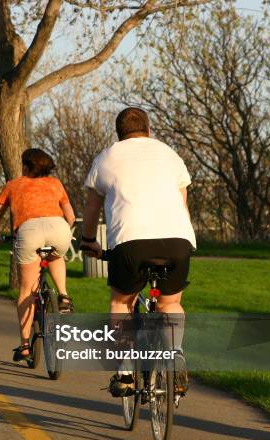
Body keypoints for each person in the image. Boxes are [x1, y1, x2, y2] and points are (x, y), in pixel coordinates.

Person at [80, 107, 195, 396]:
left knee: (122, 302)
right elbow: (182, 202)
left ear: (118, 133)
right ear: (148, 128)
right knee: (171, 303)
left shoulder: (107, 157)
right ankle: (176, 353)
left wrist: (89, 240)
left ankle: (125, 372)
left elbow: (92, 206)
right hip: (178, 239)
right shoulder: (170, 155)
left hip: (131, 241)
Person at [0, 148, 76, 361]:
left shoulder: (13, 185)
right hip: (59, 228)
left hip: (29, 232)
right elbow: (71, 216)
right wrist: (63, 230)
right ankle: (63, 296)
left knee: (27, 289)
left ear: (26, 167)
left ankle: (25, 345)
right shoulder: (55, 184)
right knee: (56, 256)